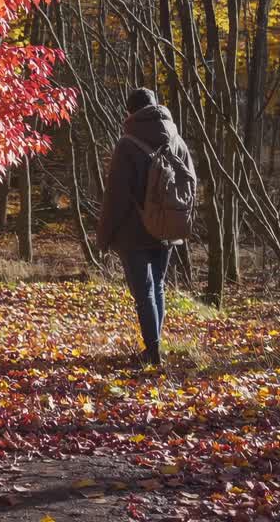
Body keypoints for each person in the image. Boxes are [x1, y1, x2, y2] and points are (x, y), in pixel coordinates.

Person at [97, 88, 196, 367]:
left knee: (144, 293)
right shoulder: (177, 141)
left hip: (134, 232)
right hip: (167, 228)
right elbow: (190, 182)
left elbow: (115, 196)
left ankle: (152, 352)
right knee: (159, 287)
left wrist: (104, 237)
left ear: (130, 113)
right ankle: (155, 345)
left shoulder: (127, 145)